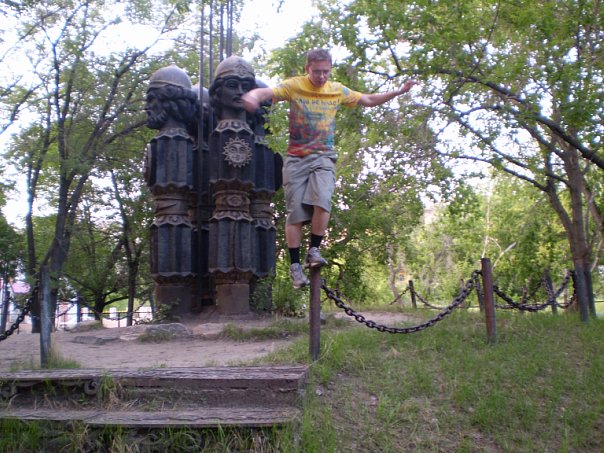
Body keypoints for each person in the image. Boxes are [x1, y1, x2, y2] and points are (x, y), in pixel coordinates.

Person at [242, 48, 417, 289]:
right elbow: (266, 92)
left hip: (323, 157)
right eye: (317, 72)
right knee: (295, 212)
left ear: (330, 70)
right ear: (308, 69)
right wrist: (252, 96)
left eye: (326, 72)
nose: (321, 76)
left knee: (323, 200)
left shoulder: (336, 90)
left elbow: (368, 100)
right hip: (296, 158)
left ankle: (314, 249)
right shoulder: (295, 86)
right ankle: (295, 266)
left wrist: (398, 91)